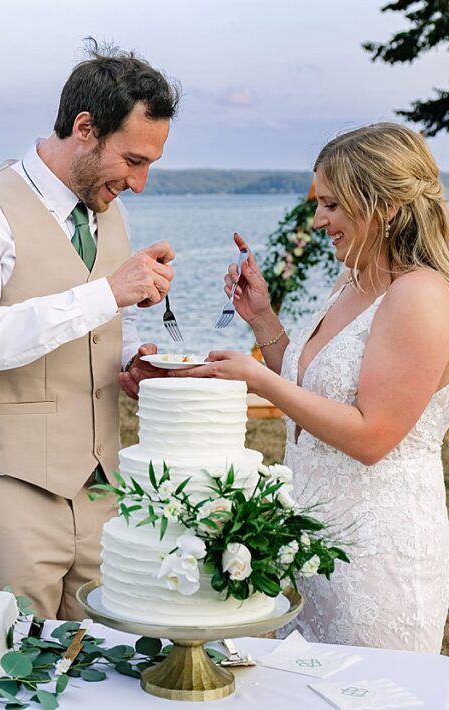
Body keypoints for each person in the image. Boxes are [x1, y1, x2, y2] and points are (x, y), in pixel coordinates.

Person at [186, 122, 449, 652]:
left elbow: (371, 436)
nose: (319, 219)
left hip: (378, 555)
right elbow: (316, 393)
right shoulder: (351, 281)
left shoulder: (420, 295)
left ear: (386, 206)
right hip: (315, 545)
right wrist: (263, 321)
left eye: (332, 204)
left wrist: (257, 377)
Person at [0, 42, 178, 620]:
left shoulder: (109, 210)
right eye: (133, 161)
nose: (139, 183)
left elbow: (78, 331)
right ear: (84, 127)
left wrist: (124, 370)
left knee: (101, 668)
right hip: (11, 488)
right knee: (8, 678)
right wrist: (106, 293)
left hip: (102, 492)